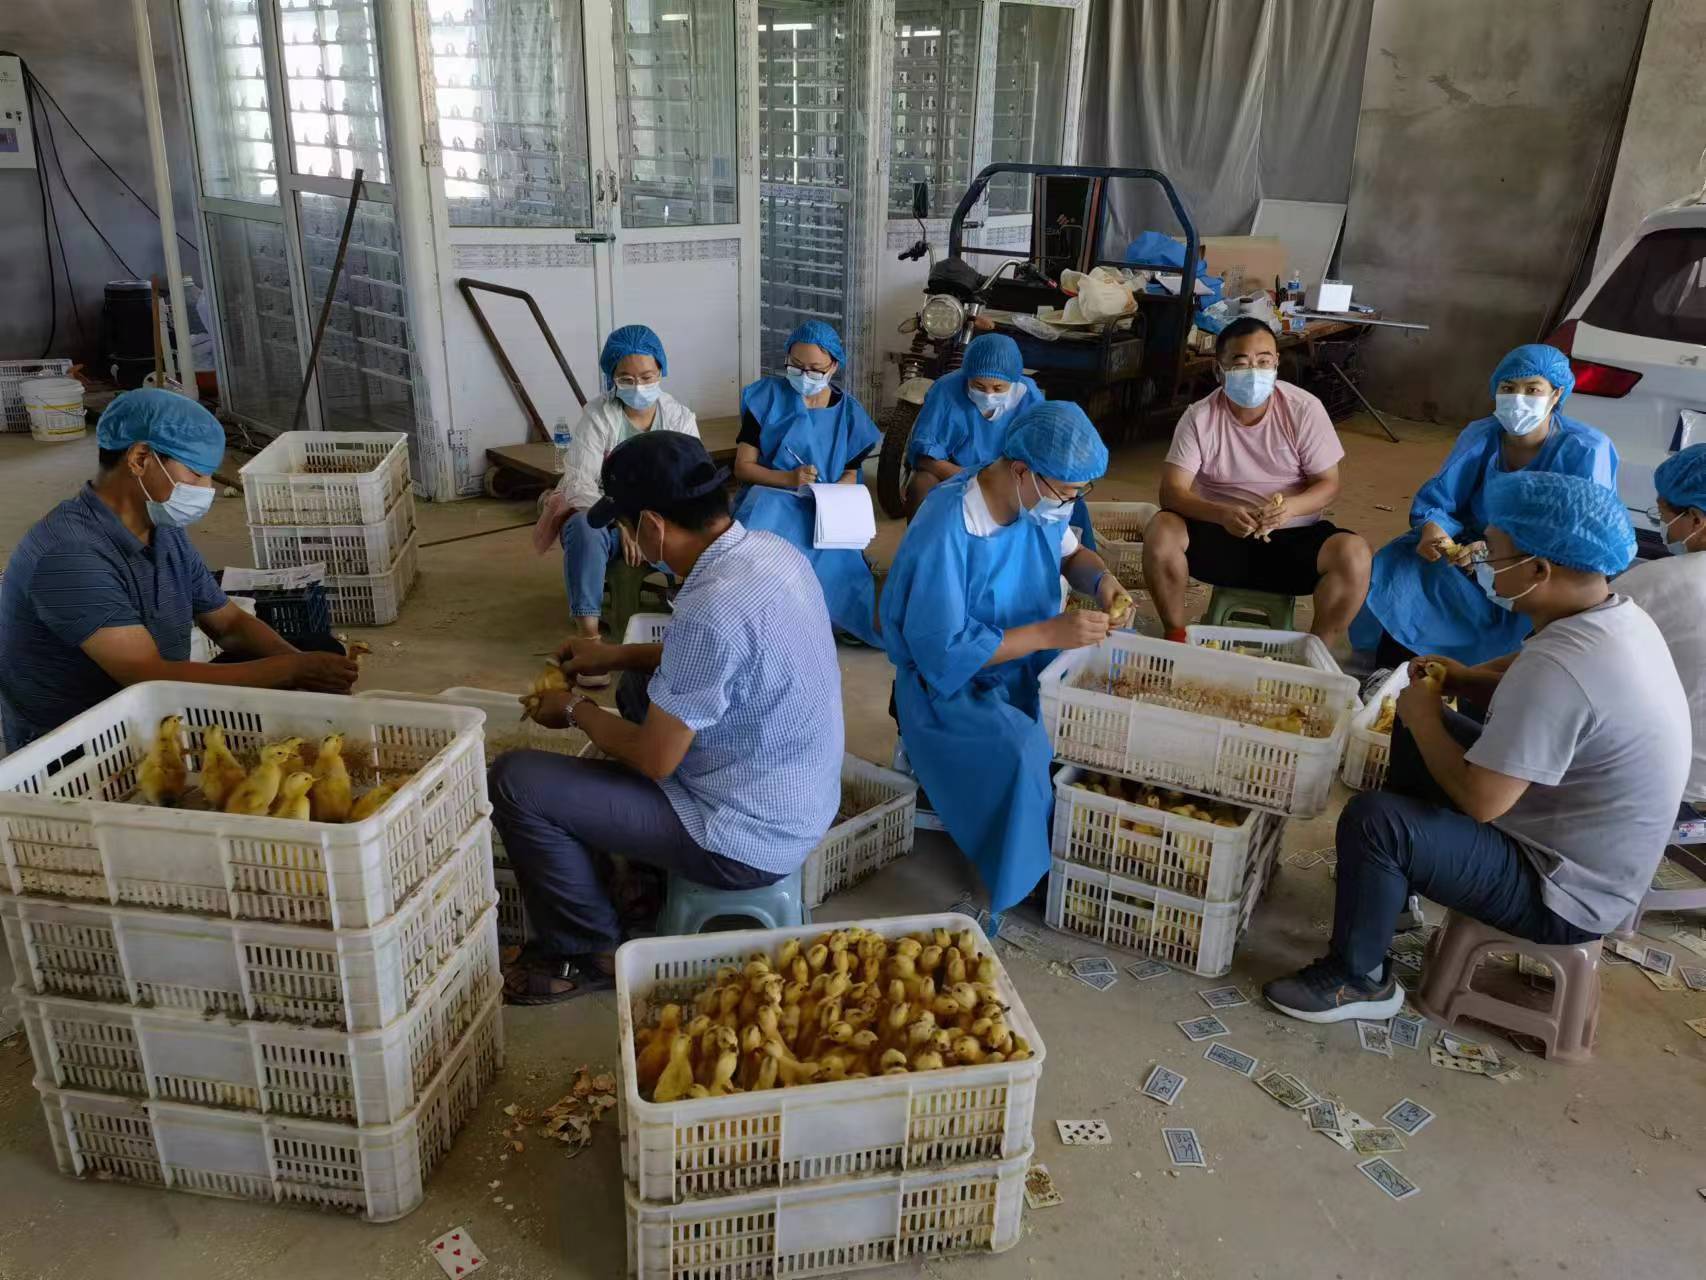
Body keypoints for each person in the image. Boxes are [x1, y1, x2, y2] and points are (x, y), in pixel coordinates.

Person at [1263, 470, 1684, 1023]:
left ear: (1539, 570)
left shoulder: (1564, 669)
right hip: (1572, 839)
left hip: (1562, 893)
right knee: (1417, 732)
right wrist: (1463, 681)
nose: (1482, 561)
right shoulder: (1614, 615)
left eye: (1496, 553)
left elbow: (1484, 801)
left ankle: (1358, 980)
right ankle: (1392, 896)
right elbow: (1531, 674)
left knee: (1374, 821)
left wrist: (1426, 715)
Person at [490, 431, 843, 1004]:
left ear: (652, 526)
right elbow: (721, 657)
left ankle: (588, 950)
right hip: (799, 798)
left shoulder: (711, 607)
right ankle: (639, 875)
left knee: (517, 781)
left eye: (627, 527)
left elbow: (655, 760)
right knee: (639, 685)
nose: (629, 539)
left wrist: (576, 709)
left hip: (743, 840)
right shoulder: (771, 553)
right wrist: (614, 655)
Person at [0, 389, 358, 752]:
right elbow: (147, 678)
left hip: (158, 700)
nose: (207, 490)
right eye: (196, 474)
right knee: (288, 683)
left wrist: (301, 665)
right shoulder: (69, 555)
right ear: (140, 458)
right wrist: (291, 671)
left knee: (317, 650)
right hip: (88, 738)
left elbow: (229, 625)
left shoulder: (161, 525)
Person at [882, 401, 1131, 919]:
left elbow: (1071, 554)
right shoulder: (949, 525)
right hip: (951, 684)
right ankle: (1021, 877)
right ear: (1021, 471)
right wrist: (1049, 632)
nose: (1070, 502)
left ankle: (1054, 833)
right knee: (1021, 748)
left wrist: (1103, 581)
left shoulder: (1039, 502)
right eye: (1066, 491)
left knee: (1099, 715)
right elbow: (942, 651)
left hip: (1030, 659)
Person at [1350, 343, 1617, 668]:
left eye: (1533, 389)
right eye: (1508, 388)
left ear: (1556, 394)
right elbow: (1440, 499)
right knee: (1403, 568)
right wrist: (1434, 529)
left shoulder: (1586, 449)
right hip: (1466, 550)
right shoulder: (1482, 435)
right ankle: (1394, 673)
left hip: (1536, 563)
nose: (1518, 398)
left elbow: (1581, 537)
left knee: (1515, 613)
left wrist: (1499, 552)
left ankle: (1474, 679)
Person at [1142, 316, 1370, 648]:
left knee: (1355, 554)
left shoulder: (1303, 410)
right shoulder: (1200, 417)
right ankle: (1175, 636)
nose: (1254, 372)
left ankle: (1316, 653)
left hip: (1293, 538)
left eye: (1263, 361)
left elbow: (1328, 484)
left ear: (1276, 363)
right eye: (1241, 363)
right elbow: (1172, 492)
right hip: (1220, 536)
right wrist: (1221, 513)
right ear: (1219, 369)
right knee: (1162, 530)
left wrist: (1291, 508)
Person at [533, 325, 699, 671]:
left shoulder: (679, 417)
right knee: (584, 526)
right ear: (612, 378)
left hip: (660, 519)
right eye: (626, 379)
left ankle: (689, 616)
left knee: (702, 525)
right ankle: (589, 639)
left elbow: (691, 478)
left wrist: (647, 524)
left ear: (661, 370)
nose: (638, 386)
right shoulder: (598, 416)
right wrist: (622, 521)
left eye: (647, 377)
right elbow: (580, 483)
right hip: (608, 518)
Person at [732, 320, 881, 644]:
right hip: (772, 498)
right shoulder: (766, 398)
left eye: (815, 369)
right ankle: (768, 627)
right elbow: (743, 468)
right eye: (796, 366)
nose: (804, 375)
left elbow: (851, 472)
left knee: (837, 559)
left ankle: (831, 622)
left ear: (834, 366)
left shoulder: (849, 414)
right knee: (763, 558)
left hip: (825, 504)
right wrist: (787, 478)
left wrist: (836, 491)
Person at [903, 331, 1100, 547]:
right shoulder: (945, 390)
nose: (988, 395)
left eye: (998, 388)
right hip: (954, 473)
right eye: (978, 386)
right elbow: (924, 456)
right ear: (966, 376)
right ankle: (919, 548)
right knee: (920, 484)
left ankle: (1070, 550)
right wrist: (972, 478)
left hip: (1013, 476)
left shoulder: (1028, 396)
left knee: (1064, 496)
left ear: (1013, 380)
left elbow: (1042, 453)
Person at [1613, 443, 1706, 805]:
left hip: (1666, 779)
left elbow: (1566, 656)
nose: (1663, 527)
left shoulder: (1651, 585)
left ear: (1696, 520)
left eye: (1662, 514)